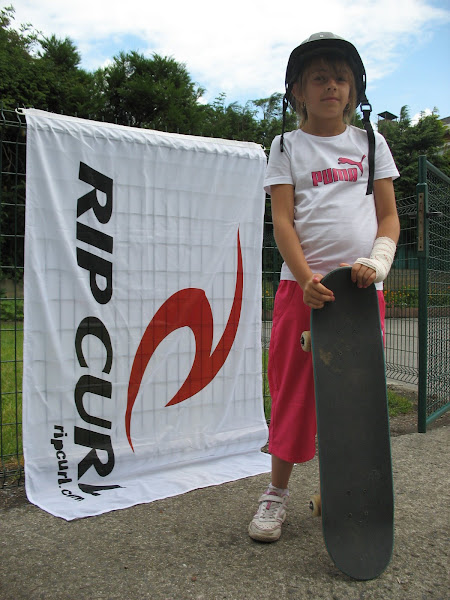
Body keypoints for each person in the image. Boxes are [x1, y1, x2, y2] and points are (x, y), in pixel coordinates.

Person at [248, 32, 400, 542]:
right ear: (297, 91)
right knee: (294, 392)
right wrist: (308, 278)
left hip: (361, 294)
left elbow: (389, 218)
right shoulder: (287, 146)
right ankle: (276, 495)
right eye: (319, 77)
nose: (331, 85)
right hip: (303, 291)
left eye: (340, 77)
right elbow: (284, 221)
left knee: (357, 401)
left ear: (355, 90)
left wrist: (377, 263)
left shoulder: (371, 144)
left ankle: (352, 494)